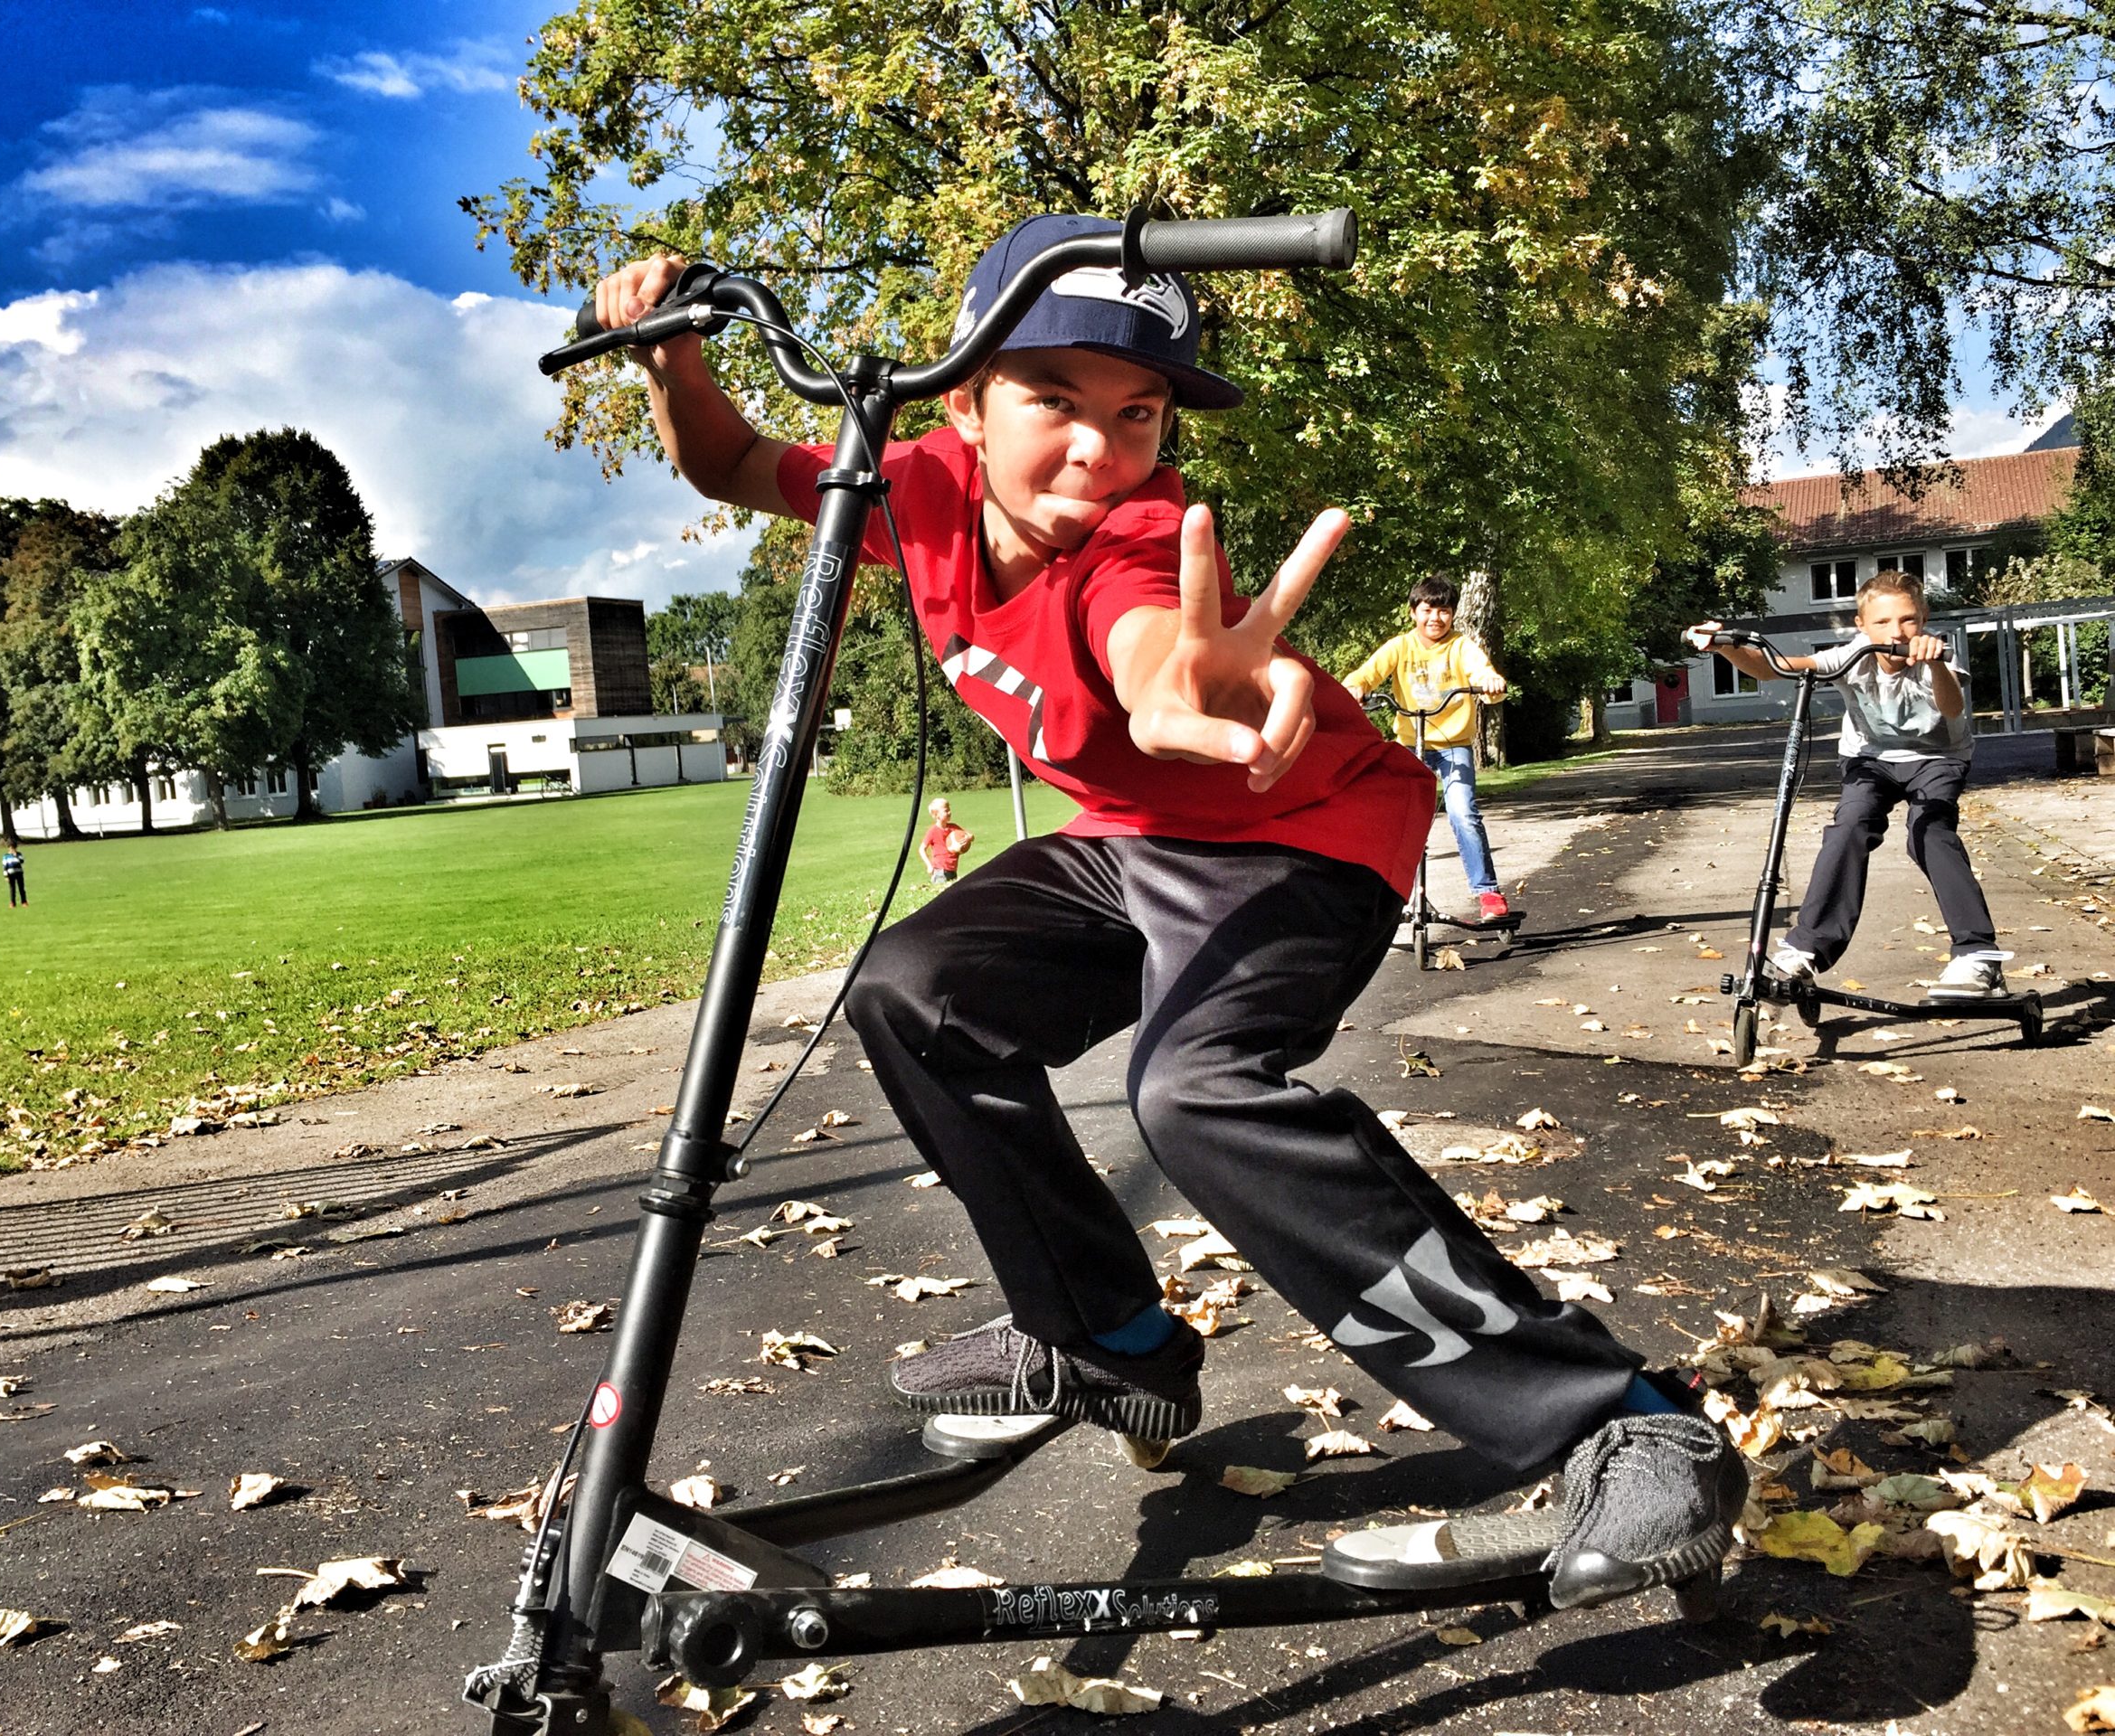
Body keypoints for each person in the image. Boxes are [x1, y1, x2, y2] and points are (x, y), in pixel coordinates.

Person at [591, 212, 1742, 1610]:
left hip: (1302, 837)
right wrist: (669, 358)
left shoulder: (1137, 535)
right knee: (913, 993)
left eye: (1137, 414)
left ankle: (1620, 1416)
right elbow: (726, 457)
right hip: (1138, 839)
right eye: (1055, 402)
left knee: (1197, 1093)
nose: (1099, 449)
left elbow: (1148, 641)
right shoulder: (916, 487)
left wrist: (1179, 688)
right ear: (964, 399)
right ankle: (1111, 1339)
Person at [1694, 570, 2006, 998]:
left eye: (1908, 620)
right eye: (1881, 622)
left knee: (1929, 832)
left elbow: (1952, 709)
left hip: (1937, 759)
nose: (1896, 632)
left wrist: (1934, 663)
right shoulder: (1853, 655)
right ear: (1862, 625)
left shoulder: (1938, 655)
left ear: (1924, 618)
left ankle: (1976, 955)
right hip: (1869, 761)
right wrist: (1724, 646)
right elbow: (1776, 669)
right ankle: (1808, 949)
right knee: (1850, 827)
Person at [1343, 576, 1511, 923]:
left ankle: (1487, 892)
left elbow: (1485, 676)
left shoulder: (1462, 647)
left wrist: (1491, 684)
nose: (1435, 617)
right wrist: (1355, 688)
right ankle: (1385, 894)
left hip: (1453, 746)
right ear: (1413, 613)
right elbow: (1364, 675)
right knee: (1394, 816)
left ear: (1453, 615)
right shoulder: (1400, 647)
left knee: (1463, 812)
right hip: (1410, 744)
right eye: (1427, 610)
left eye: (1444, 611)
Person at [918, 797, 974, 885]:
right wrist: (929, 865)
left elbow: (971, 836)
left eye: (949, 810)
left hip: (953, 869)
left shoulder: (954, 828)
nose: (949, 812)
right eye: (946, 811)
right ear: (937, 815)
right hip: (940, 871)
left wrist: (969, 838)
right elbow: (922, 849)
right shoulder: (933, 831)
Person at [0, 839, 27, 909]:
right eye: (11, 848)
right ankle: (13, 903)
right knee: (12, 889)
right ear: (8, 848)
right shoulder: (6, 856)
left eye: (13, 848)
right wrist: (6, 876)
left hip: (19, 873)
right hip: (10, 874)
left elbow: (22, 861)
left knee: (21, 888)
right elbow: (4, 866)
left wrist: (16, 855)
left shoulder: (19, 854)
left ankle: (24, 902)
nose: (12, 849)